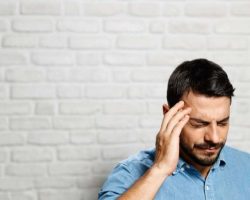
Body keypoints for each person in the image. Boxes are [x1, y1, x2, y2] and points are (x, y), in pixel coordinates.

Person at [98, 58, 250, 200]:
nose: (214, 138)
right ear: (169, 115)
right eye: (199, 124)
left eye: (222, 123)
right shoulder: (131, 173)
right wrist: (160, 169)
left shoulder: (246, 166)